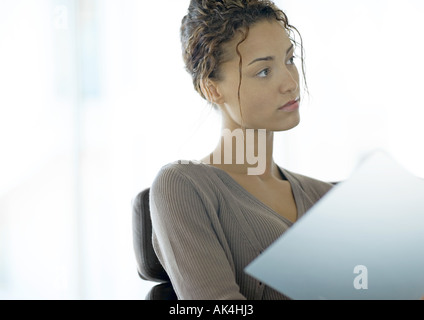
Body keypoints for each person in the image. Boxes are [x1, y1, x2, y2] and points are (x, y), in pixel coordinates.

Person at [149, 0, 333, 300]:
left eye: (289, 59)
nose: (290, 83)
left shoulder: (325, 197)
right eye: (263, 71)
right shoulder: (184, 186)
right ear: (212, 88)